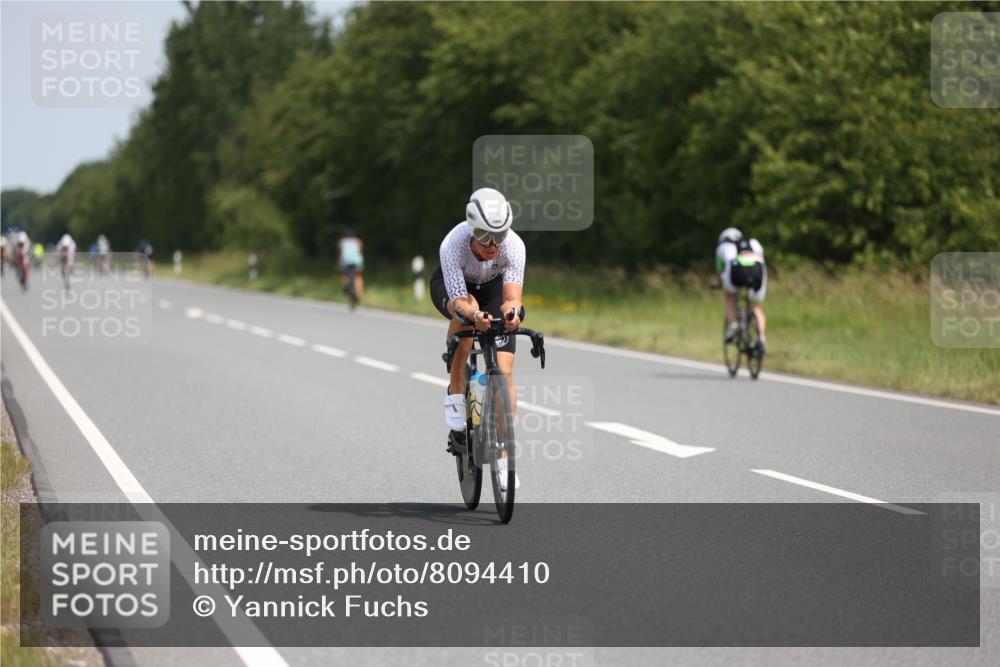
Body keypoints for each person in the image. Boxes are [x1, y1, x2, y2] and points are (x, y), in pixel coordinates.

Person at [430, 187, 525, 491]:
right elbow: (461, 303)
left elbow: (511, 298)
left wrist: (512, 315)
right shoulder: (453, 245)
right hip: (457, 290)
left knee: (505, 370)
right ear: (472, 228)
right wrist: (474, 317)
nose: (492, 244)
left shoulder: (514, 247)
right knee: (465, 325)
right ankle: (457, 399)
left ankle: (504, 455)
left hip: (493, 287)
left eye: (500, 233)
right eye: (484, 235)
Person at [716, 227, 767, 355]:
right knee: (756, 307)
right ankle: (761, 338)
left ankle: (733, 324)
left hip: (736, 272)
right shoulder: (754, 243)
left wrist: (720, 284)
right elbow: (761, 261)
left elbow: (720, 271)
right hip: (757, 271)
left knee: (729, 295)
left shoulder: (722, 247)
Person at [338, 228, 364, 302]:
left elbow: (340, 253)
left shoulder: (342, 242)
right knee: (358, 277)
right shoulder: (358, 241)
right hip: (356, 262)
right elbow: (359, 252)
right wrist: (361, 264)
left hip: (345, 262)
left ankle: (346, 286)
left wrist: (339, 264)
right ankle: (358, 294)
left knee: (344, 275)